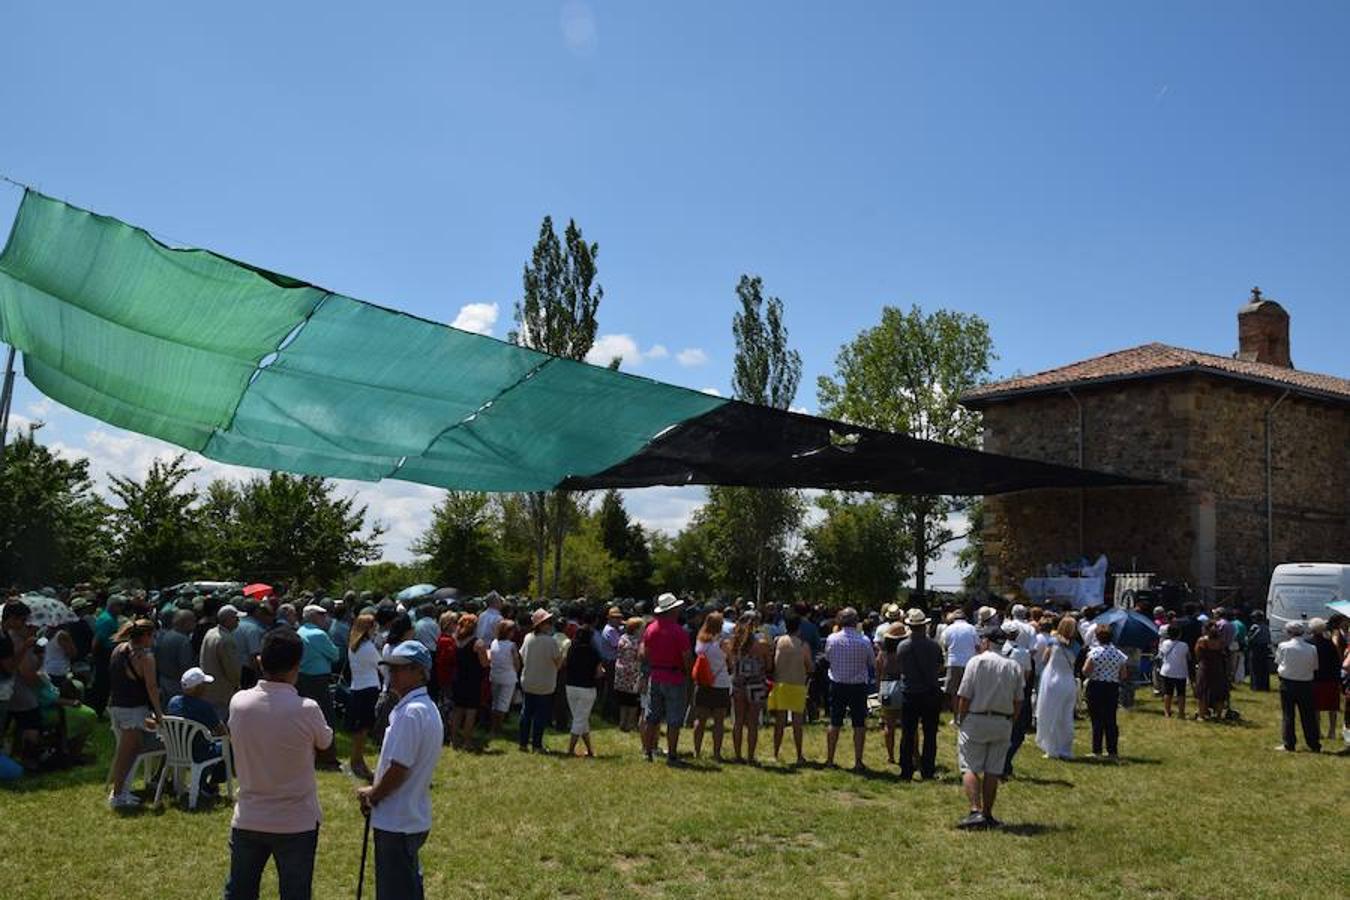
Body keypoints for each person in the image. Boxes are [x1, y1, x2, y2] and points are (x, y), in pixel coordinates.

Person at [224, 627, 332, 900]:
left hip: (249, 815)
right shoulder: (307, 709)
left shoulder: (238, 703)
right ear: (297, 666)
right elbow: (325, 742)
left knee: (239, 892)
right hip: (296, 820)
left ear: (261, 661)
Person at [357, 641, 443, 900]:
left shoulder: (411, 713)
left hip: (397, 821)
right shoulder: (423, 708)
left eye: (399, 668)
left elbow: (399, 770)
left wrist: (373, 795)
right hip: (409, 817)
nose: (392, 674)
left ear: (419, 672)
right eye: (390, 668)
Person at [954, 625, 1024, 830]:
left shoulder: (976, 662)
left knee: (969, 766)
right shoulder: (1014, 666)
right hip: (1002, 720)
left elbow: (965, 695)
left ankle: (975, 810)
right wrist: (1011, 720)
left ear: (987, 642)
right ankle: (987, 814)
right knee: (993, 770)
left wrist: (961, 718)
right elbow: (1018, 700)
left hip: (977, 718)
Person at [107, 619, 165, 809]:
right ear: (145, 636)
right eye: (152, 636)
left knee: (131, 750)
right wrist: (159, 714)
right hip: (132, 710)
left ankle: (122, 792)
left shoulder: (118, 649)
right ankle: (117, 795)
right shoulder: (145, 658)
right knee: (127, 755)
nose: (153, 640)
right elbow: (152, 688)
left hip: (115, 706)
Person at [640, 593, 692, 767]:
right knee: (674, 719)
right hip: (675, 676)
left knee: (652, 717)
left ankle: (648, 751)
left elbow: (645, 653)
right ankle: (672, 754)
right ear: (672, 610)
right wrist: (687, 673)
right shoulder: (679, 632)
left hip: (656, 675)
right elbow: (686, 657)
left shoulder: (651, 629)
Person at [166, 666, 229, 797]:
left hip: (176, 751)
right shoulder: (204, 707)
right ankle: (210, 785)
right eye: (204, 685)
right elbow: (222, 732)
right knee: (228, 746)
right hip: (198, 753)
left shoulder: (173, 702)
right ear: (199, 687)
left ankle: (199, 783)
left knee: (207, 743)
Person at [824, 607, 873, 771]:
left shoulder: (832, 639)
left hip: (837, 684)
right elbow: (871, 662)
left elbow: (828, 658)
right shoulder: (864, 641)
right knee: (859, 724)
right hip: (858, 686)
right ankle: (858, 761)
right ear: (856, 621)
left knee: (834, 722)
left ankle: (830, 759)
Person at [896, 608, 943, 781]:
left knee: (908, 734)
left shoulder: (902, 646)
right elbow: (940, 666)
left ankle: (906, 770)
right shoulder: (934, 646)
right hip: (930, 692)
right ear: (924, 626)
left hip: (910, 693)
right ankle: (928, 770)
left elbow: (900, 667)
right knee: (930, 734)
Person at [297, 606, 341, 769]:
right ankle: (327, 757)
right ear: (314, 617)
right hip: (318, 680)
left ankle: (311, 753)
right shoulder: (318, 634)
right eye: (322, 615)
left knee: (306, 718)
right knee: (326, 717)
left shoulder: (299, 632)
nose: (325, 618)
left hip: (302, 678)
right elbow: (335, 655)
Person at [767, 613, 813, 765]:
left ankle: (775, 753)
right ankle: (799, 755)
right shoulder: (803, 645)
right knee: (797, 723)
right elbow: (810, 666)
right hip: (797, 685)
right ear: (799, 628)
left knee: (779, 722)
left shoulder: (778, 641)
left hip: (780, 684)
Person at [518, 609, 565, 753]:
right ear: (541, 625)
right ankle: (537, 745)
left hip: (528, 680)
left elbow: (522, 655)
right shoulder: (550, 641)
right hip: (545, 683)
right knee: (540, 715)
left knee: (526, 713)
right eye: (548, 622)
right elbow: (558, 663)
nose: (550, 625)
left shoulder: (528, 638)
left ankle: (523, 743)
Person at [728, 612, 771, 764]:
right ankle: (751, 757)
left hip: (738, 685)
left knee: (738, 721)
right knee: (753, 723)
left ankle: (737, 755)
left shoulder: (733, 643)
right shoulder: (762, 644)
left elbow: (730, 664)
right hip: (756, 685)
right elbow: (769, 665)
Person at [1082, 624, 1128, 759]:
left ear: (1097, 637)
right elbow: (1124, 675)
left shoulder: (1094, 653)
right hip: (1112, 687)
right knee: (1111, 719)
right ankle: (1112, 750)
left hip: (1096, 686)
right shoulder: (1119, 654)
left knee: (1096, 719)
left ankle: (1097, 750)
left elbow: (1085, 671)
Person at [1035, 616, 1078, 760]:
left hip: (1052, 680)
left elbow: (1044, 659)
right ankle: (1065, 749)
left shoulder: (1053, 642)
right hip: (1068, 681)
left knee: (1049, 713)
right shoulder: (1076, 646)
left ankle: (1051, 748)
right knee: (1066, 716)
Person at [345, 613, 381, 781]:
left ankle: (357, 761)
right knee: (363, 729)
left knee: (359, 729)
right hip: (368, 688)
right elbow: (380, 664)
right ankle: (357, 762)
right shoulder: (368, 647)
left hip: (357, 687)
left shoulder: (353, 646)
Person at [690, 611, 731, 761]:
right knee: (719, 721)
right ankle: (716, 753)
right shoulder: (723, 643)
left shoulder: (700, 642)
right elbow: (731, 660)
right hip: (721, 683)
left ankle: (697, 751)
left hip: (703, 682)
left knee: (700, 719)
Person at [1274, 621, 1320, 753]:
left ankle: (1289, 743)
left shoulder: (1283, 646)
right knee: (1308, 715)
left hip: (1288, 683)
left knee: (1288, 714)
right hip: (1306, 684)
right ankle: (1314, 743)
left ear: (1289, 633)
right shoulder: (1312, 648)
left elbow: (1278, 662)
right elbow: (1315, 666)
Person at [447, 614, 489, 750]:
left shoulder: (455, 640)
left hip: (458, 678)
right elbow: (484, 663)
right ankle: (467, 741)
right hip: (473, 680)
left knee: (457, 710)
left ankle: (454, 740)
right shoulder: (478, 643)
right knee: (471, 712)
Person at [999, 619, 1034, 777]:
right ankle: (1005, 762)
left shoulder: (999, 650)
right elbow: (1026, 675)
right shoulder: (1023, 652)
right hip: (1017, 693)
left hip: (1001, 693)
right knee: (1018, 732)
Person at [564, 624, 604, 757]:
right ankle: (570, 749)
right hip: (587, 688)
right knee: (580, 719)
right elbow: (598, 672)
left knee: (580, 718)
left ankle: (589, 750)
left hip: (571, 686)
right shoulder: (593, 652)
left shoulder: (571, 649)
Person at [201, 605, 242, 720]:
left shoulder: (210, 633)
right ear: (227, 620)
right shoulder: (226, 640)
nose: (238, 621)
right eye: (236, 618)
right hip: (223, 691)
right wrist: (237, 684)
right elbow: (231, 669)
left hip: (208, 687)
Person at [876, 622, 907, 766]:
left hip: (887, 687)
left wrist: (879, 690)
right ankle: (913, 754)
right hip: (903, 687)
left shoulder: (882, 654)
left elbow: (878, 673)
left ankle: (891, 756)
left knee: (889, 725)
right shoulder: (905, 652)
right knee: (909, 725)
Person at [1308, 619, 1341, 740]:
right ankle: (1332, 731)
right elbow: (1337, 662)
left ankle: (1318, 731)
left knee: (1316, 707)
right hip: (1331, 679)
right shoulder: (1330, 644)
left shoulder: (1308, 643)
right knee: (1332, 707)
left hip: (1315, 679)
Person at [487, 619, 521, 737]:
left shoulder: (494, 643)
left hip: (495, 675)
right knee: (503, 704)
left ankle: (493, 727)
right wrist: (516, 671)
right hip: (508, 676)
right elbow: (516, 662)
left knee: (495, 702)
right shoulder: (512, 645)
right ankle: (498, 728)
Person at [155, 609, 197, 701]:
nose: (195, 624)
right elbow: (185, 665)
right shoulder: (183, 641)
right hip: (177, 684)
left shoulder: (164, 636)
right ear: (186, 622)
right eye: (193, 621)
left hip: (163, 680)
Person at [940, 609, 977, 712]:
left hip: (954, 662)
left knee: (954, 691)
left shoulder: (948, 629)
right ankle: (966, 713)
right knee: (968, 691)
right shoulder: (972, 628)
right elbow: (977, 645)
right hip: (969, 662)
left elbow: (945, 646)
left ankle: (957, 715)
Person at [613, 617, 645, 733]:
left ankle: (622, 722)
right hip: (633, 673)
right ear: (636, 629)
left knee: (623, 700)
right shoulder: (638, 642)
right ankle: (630, 723)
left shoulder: (622, 638)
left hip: (621, 672)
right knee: (633, 701)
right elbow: (640, 657)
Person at [1193, 622, 1229, 721]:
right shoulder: (1221, 641)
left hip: (1205, 668)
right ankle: (1218, 715)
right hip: (1218, 668)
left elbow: (1197, 654)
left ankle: (1201, 715)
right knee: (1219, 691)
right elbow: (1224, 654)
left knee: (1203, 691)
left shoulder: (1202, 641)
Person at [234, 600, 271, 690]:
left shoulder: (237, 624)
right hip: (248, 671)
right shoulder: (253, 629)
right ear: (257, 611)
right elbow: (254, 655)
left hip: (235, 668)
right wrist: (258, 675)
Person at [1156, 624, 1190, 719]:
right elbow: (1188, 657)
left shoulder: (1165, 643)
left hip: (1167, 671)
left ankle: (1167, 712)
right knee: (1181, 693)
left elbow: (1161, 654)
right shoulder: (1184, 645)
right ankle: (1181, 713)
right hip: (1181, 672)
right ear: (1179, 634)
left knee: (1168, 692)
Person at [1247, 610, 1273, 691]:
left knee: (1255, 668)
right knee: (1264, 668)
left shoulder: (1255, 627)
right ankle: (1264, 686)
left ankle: (1256, 686)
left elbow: (1250, 639)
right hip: (1265, 649)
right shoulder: (1266, 627)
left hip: (1256, 649)